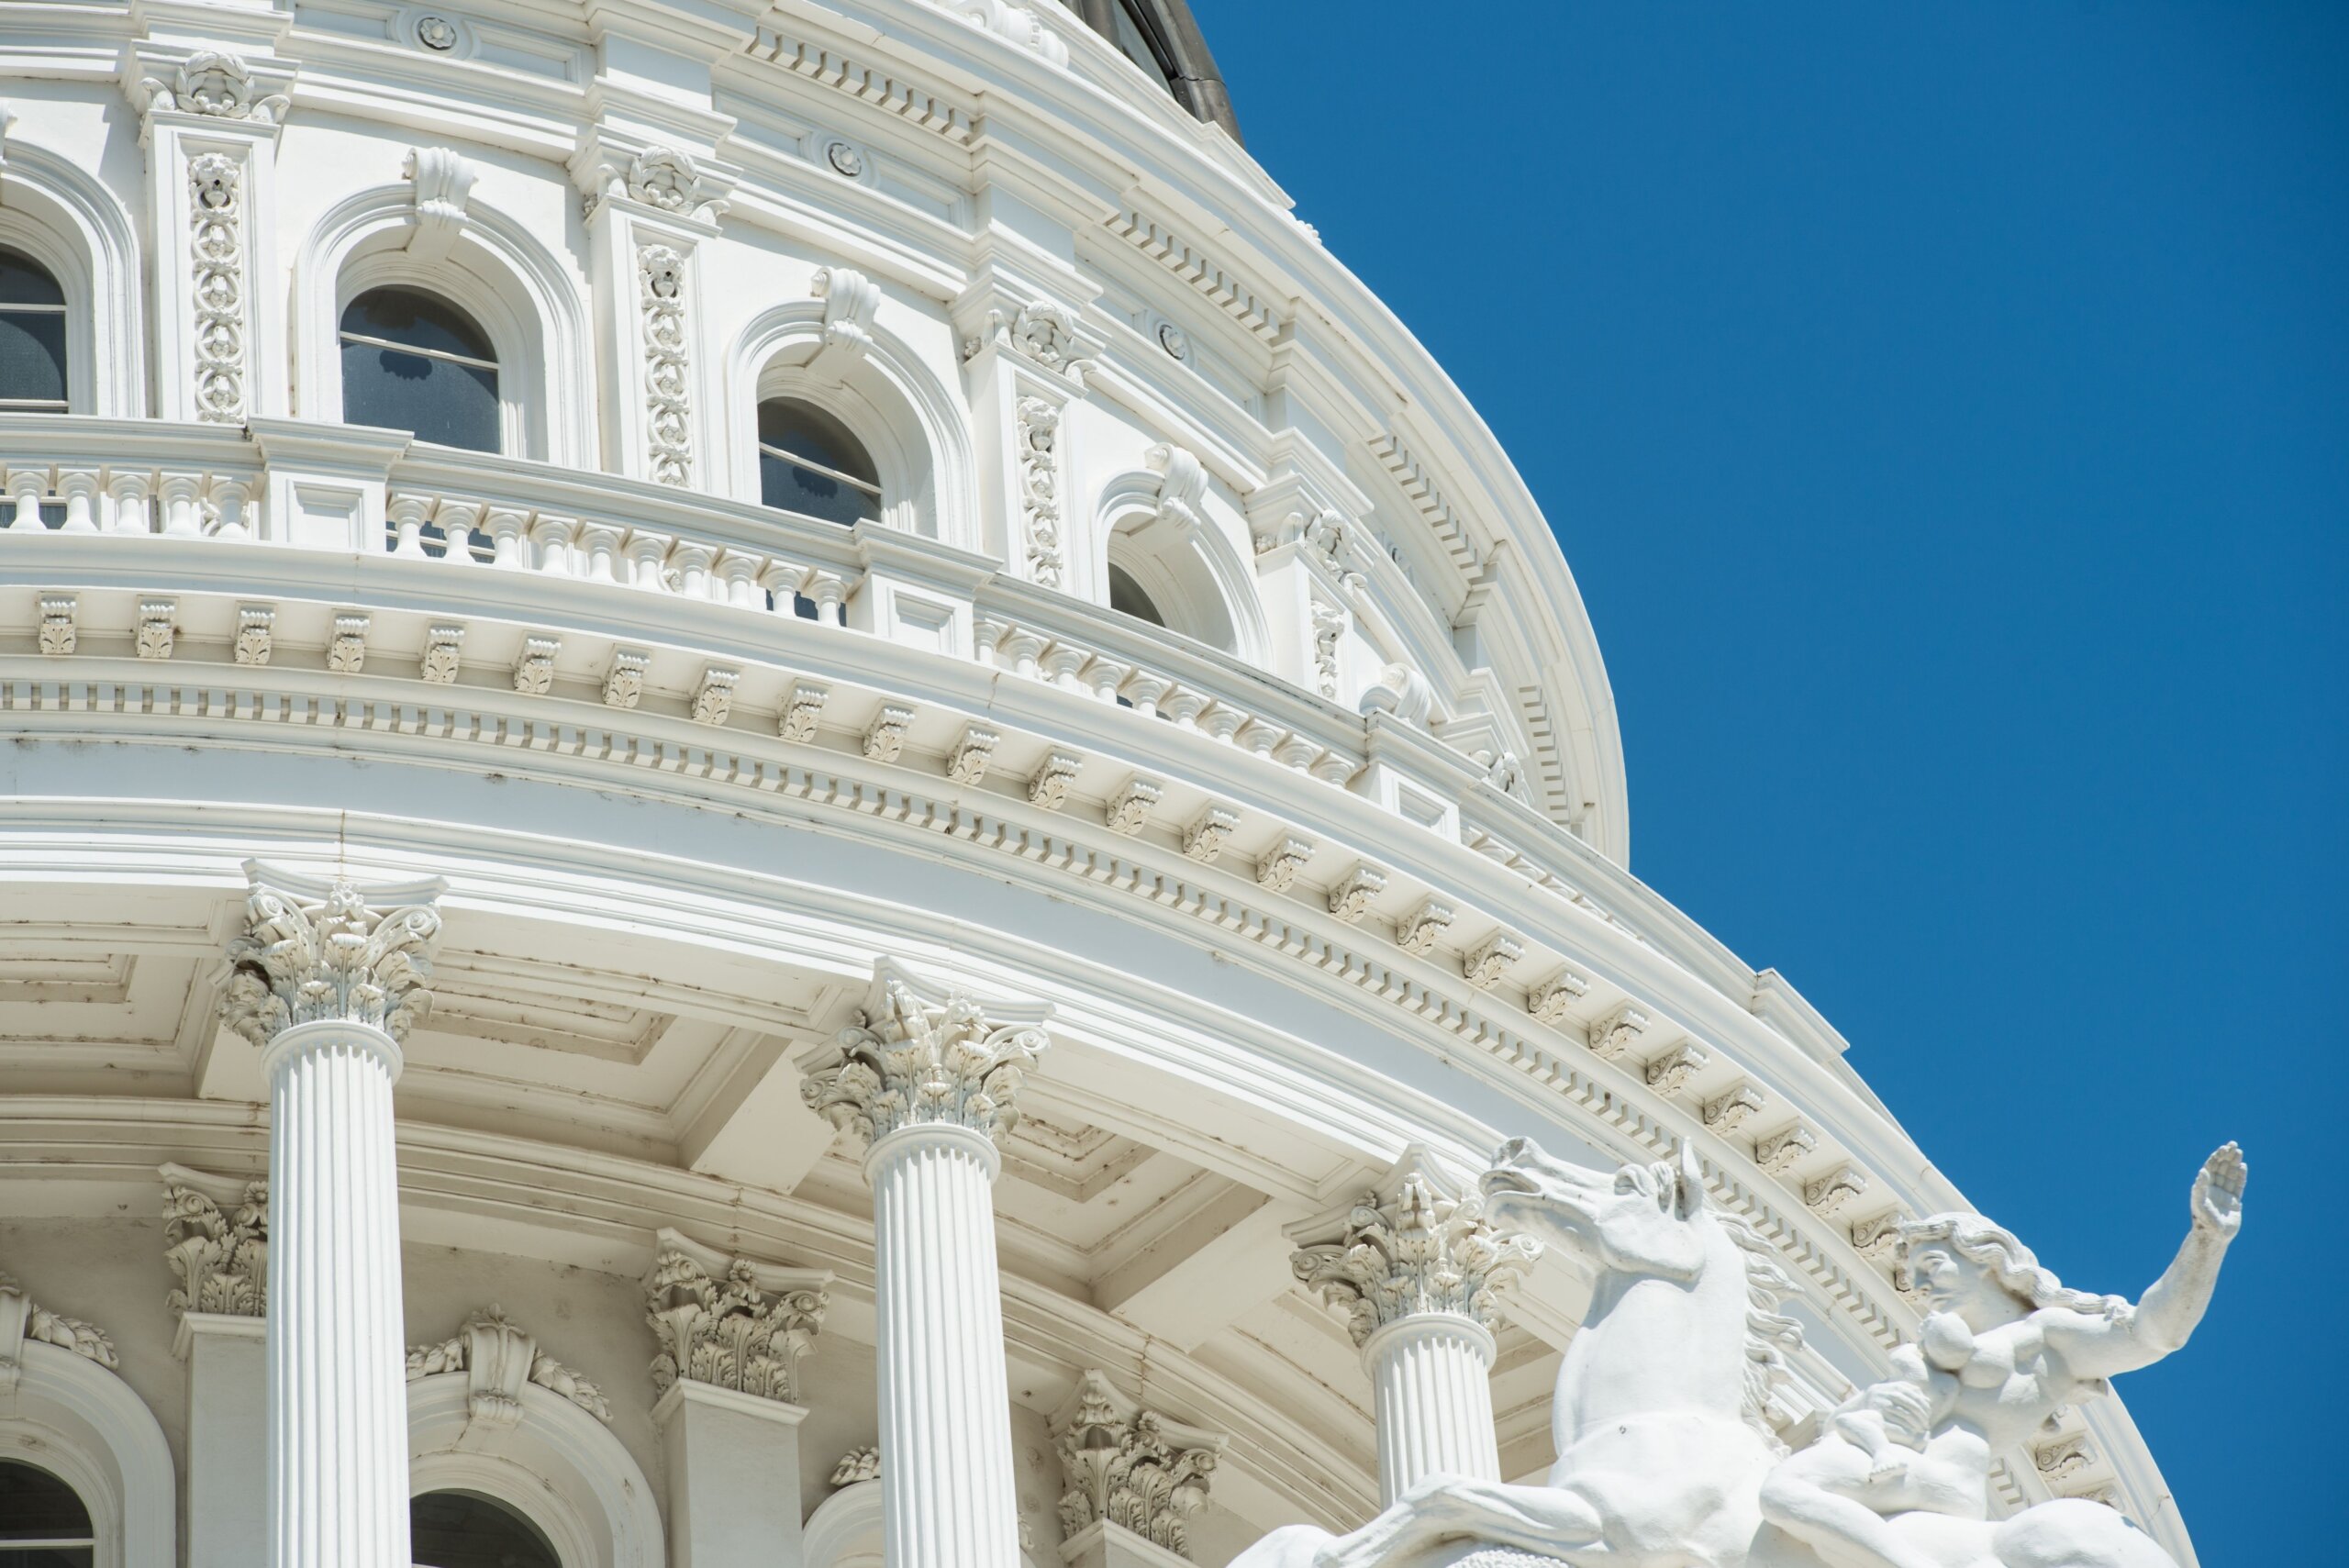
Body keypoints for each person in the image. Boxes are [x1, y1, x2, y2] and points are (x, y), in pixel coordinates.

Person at [1757, 1143, 2244, 1568]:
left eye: (1931, 1266)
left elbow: (2154, 1334)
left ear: (1985, 1262)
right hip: (1883, 1465)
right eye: (1914, 1275)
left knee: (1783, 1494)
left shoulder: (2045, 1336)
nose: (1920, 1286)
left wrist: (2207, 1241)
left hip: (1933, 1480)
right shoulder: (1931, 1344)